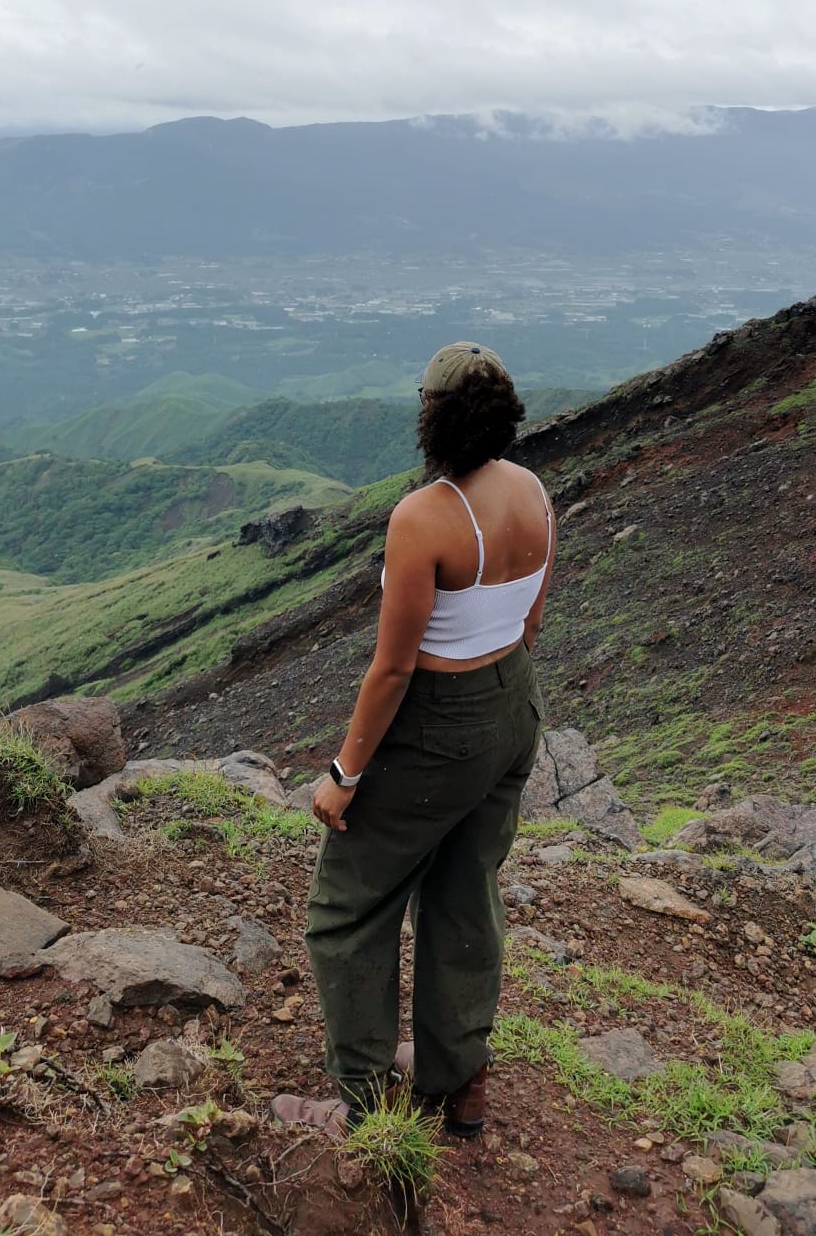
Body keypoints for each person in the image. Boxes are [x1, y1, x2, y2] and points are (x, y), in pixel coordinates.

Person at [271, 342, 555, 1139]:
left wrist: (344, 772)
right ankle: (458, 1081)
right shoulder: (533, 491)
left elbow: (394, 668)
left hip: (440, 719)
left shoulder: (424, 517)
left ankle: (365, 1109)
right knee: (466, 891)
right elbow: (531, 621)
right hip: (514, 708)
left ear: (432, 419)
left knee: (346, 911)